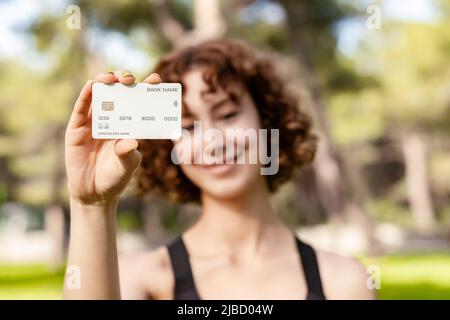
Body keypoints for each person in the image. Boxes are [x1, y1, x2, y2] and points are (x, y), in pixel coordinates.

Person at [63, 39, 374, 300]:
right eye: (187, 126)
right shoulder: (138, 279)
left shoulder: (344, 281)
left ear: (267, 119)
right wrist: (92, 206)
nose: (212, 141)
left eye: (227, 114)